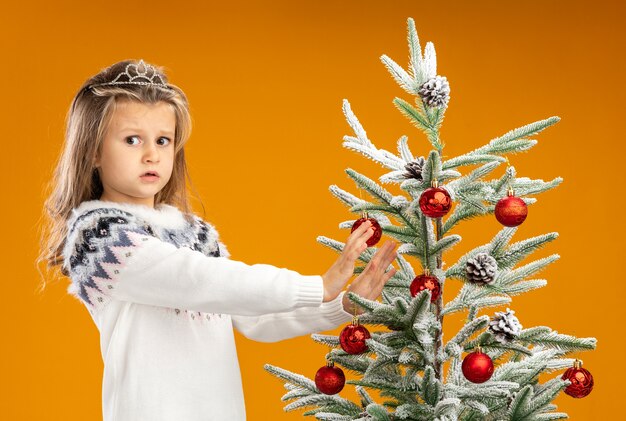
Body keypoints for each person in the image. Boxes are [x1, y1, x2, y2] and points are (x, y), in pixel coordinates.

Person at [37, 59, 398, 420]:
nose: (152, 154)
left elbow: (252, 317)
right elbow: (193, 279)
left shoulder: (194, 234)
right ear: (93, 151)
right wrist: (318, 286)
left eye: (163, 140)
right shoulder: (97, 235)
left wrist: (341, 307)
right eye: (132, 140)